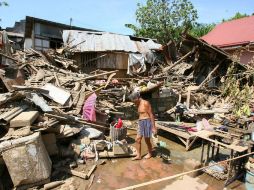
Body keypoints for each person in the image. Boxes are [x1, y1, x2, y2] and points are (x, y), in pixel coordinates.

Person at [129, 91, 157, 160]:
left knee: (147, 140)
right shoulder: (138, 103)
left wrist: (153, 127)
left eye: (133, 100)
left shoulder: (145, 103)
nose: (133, 102)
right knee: (137, 139)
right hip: (141, 122)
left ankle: (150, 153)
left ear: (137, 98)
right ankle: (139, 155)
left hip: (147, 122)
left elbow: (151, 114)